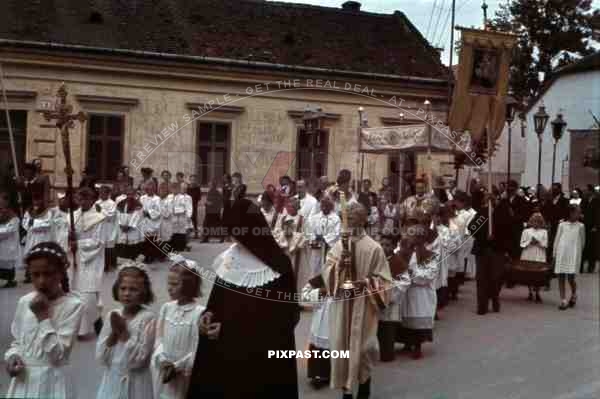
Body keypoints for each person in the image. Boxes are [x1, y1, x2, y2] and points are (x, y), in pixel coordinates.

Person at [186, 198, 300, 399]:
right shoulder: (230, 258)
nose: (232, 239)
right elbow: (217, 300)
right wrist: (207, 316)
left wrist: (232, 330)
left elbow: (287, 318)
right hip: (225, 357)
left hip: (260, 363)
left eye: (235, 233)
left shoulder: (279, 266)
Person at [322, 201, 392, 399]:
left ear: (363, 219)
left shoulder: (374, 248)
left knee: (363, 350)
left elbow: (386, 282)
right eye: (347, 218)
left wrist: (367, 283)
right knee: (342, 349)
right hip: (343, 304)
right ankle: (346, 392)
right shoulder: (338, 246)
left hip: (364, 306)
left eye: (352, 217)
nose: (349, 221)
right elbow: (327, 272)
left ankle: (363, 389)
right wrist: (339, 268)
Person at [4, 242, 83, 399]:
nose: (41, 281)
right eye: (35, 274)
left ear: (61, 273)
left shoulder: (73, 306)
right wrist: (13, 356)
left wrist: (43, 317)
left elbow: (58, 355)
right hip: (24, 381)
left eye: (48, 274)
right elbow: (18, 341)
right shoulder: (25, 301)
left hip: (53, 382)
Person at [96, 262, 156, 399]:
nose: (127, 293)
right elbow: (101, 357)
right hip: (113, 378)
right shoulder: (113, 314)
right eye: (123, 288)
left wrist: (124, 334)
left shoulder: (148, 318)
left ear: (144, 292)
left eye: (133, 289)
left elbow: (140, 359)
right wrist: (113, 335)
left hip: (136, 383)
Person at [152, 255, 204, 399]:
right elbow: (159, 338)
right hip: (164, 369)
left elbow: (196, 347)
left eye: (175, 284)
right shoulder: (166, 308)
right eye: (169, 283)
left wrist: (177, 366)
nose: (170, 288)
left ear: (189, 285)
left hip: (182, 374)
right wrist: (162, 359)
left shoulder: (198, 313)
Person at [398, 211, 440, 360]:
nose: (410, 239)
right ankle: (406, 343)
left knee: (417, 317)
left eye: (414, 236)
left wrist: (411, 272)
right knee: (404, 317)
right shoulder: (402, 251)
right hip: (405, 291)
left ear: (421, 238)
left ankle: (417, 346)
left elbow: (429, 275)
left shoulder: (429, 255)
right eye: (409, 235)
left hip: (420, 293)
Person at [71, 187, 106, 338]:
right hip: (75, 258)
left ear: (93, 200)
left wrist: (78, 244)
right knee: (76, 294)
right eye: (81, 198)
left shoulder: (99, 218)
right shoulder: (72, 216)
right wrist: (68, 237)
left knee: (89, 294)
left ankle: (96, 321)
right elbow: (65, 235)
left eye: (87, 198)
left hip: (92, 259)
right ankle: (82, 327)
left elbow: (98, 241)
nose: (83, 202)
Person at [469, 194, 506, 315]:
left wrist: (496, 237)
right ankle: (482, 305)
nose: (489, 202)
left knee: (495, 278)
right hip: (482, 250)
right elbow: (472, 228)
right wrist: (484, 236)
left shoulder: (500, 214)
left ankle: (495, 298)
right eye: (487, 200)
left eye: (491, 200)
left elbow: (507, 230)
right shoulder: (482, 213)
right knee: (482, 279)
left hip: (497, 250)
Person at [377, 235, 411, 362]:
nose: (384, 247)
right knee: (376, 326)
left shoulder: (397, 261)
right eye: (382, 244)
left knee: (387, 327)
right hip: (376, 298)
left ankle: (387, 353)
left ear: (393, 246)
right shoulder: (376, 259)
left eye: (387, 245)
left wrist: (389, 290)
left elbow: (405, 282)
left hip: (390, 300)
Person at [553, 205, 585, 310]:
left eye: (580, 212)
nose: (579, 214)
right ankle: (563, 300)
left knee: (571, 278)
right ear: (571, 213)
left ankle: (574, 293)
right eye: (577, 212)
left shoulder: (581, 226)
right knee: (561, 277)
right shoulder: (562, 225)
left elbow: (582, 242)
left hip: (573, 254)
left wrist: (578, 255)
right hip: (562, 253)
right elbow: (557, 239)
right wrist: (554, 253)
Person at [22, 187, 55, 283]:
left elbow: (47, 224)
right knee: (31, 255)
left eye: (38, 200)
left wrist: (34, 223)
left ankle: (44, 273)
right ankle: (30, 274)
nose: (36, 202)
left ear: (42, 200)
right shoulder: (29, 211)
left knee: (42, 255)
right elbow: (25, 223)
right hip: (32, 237)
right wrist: (33, 223)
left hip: (43, 237)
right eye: (34, 200)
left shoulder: (47, 211)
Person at [307, 194, 341, 276]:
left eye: (327, 205)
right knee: (315, 270)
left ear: (331, 206)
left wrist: (325, 238)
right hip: (317, 248)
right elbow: (309, 231)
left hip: (329, 248)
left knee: (328, 270)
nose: (324, 207)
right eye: (323, 205)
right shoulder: (315, 218)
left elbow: (336, 233)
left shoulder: (335, 218)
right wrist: (314, 238)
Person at [519, 212, 548, 303]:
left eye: (538, 222)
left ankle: (537, 293)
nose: (536, 223)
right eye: (534, 221)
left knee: (538, 274)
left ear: (541, 222)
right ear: (531, 221)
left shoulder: (544, 232)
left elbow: (546, 244)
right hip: (528, 253)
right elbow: (521, 244)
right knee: (529, 273)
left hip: (539, 253)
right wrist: (529, 242)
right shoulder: (526, 231)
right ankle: (530, 292)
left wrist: (538, 242)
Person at [116, 187, 144, 260]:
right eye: (128, 194)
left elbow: (137, 216)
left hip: (132, 227)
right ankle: (124, 257)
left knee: (132, 243)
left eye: (131, 194)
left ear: (134, 194)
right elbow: (118, 214)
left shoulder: (137, 204)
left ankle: (133, 257)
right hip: (122, 226)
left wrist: (130, 226)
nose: (129, 196)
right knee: (123, 242)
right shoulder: (121, 203)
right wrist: (120, 224)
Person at [95, 185, 118, 271]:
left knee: (109, 246)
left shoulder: (112, 203)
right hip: (99, 227)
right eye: (100, 192)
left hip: (108, 227)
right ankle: (100, 263)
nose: (100, 194)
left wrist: (101, 210)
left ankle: (109, 265)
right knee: (100, 245)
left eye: (102, 192)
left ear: (108, 193)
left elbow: (111, 216)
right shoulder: (97, 202)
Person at [0, 192, 20, 288]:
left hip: (9, 244)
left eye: (3, 200)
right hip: (1, 245)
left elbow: (9, 230)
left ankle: (10, 280)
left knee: (8, 264)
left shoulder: (13, 216)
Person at [140, 181, 162, 263]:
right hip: (144, 222)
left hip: (153, 222)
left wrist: (149, 213)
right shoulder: (142, 198)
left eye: (152, 188)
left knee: (152, 241)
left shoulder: (157, 199)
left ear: (154, 189)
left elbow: (159, 211)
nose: (150, 190)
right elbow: (139, 207)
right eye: (148, 188)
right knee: (145, 241)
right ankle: (146, 256)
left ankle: (152, 256)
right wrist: (141, 212)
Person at [171, 182, 193, 252]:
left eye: (185, 188)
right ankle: (179, 244)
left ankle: (186, 244)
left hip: (185, 215)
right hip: (177, 216)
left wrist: (189, 215)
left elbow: (190, 207)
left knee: (187, 230)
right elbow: (174, 206)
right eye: (182, 188)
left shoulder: (189, 197)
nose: (184, 189)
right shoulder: (176, 197)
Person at [202, 178, 224, 243]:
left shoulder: (217, 193)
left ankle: (221, 237)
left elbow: (218, 202)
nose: (209, 185)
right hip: (209, 211)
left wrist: (209, 203)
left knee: (215, 225)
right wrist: (206, 203)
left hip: (214, 212)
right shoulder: (210, 192)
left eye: (210, 184)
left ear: (213, 185)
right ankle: (206, 238)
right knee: (206, 225)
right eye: (209, 184)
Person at [158, 182, 174, 259]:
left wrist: (160, 209)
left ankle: (163, 255)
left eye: (163, 190)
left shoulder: (169, 201)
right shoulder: (157, 199)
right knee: (158, 239)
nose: (161, 192)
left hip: (166, 223)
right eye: (160, 190)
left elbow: (168, 213)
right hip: (158, 223)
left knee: (165, 239)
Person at [187, 174, 202, 238]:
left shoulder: (197, 188)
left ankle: (196, 234)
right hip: (187, 206)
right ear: (190, 180)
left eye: (194, 179)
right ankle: (187, 234)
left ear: (196, 180)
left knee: (194, 219)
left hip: (194, 205)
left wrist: (195, 200)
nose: (193, 181)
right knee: (187, 219)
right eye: (192, 179)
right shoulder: (188, 188)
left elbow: (199, 197)